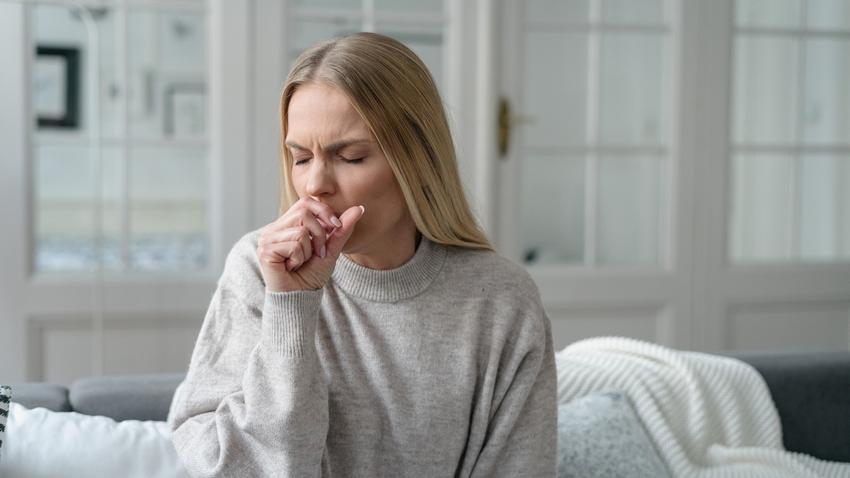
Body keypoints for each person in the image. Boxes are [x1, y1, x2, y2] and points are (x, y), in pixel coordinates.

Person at [167, 32, 556, 477]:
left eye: (350, 157)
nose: (315, 185)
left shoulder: (501, 300)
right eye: (300, 158)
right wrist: (291, 307)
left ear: (418, 159)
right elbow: (235, 469)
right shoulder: (258, 271)